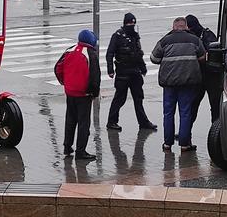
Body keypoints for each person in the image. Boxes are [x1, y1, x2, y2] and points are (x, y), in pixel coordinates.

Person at [150, 17, 205, 152]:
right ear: (185, 27)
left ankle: (167, 143)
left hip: (169, 84)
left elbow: (154, 58)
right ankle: (184, 144)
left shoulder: (165, 40)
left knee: (168, 113)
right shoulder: (194, 40)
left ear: (173, 27)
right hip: (187, 83)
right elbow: (203, 57)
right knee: (185, 113)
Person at [105, 13, 157, 132]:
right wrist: (110, 70)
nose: (131, 25)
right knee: (120, 98)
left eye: (133, 23)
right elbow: (110, 53)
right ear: (125, 23)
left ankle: (143, 122)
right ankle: (111, 121)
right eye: (129, 23)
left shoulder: (135, 35)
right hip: (123, 72)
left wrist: (143, 67)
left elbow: (138, 53)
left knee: (138, 99)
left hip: (135, 72)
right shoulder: (117, 35)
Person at [54, 30, 101, 160]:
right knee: (83, 123)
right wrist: (94, 93)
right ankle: (81, 151)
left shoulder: (70, 50)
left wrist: (64, 82)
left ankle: (67, 147)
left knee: (70, 120)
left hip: (70, 92)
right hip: (84, 94)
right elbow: (95, 76)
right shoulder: (90, 54)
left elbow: (57, 68)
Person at [186, 14, 221, 124]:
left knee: (215, 106)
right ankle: (186, 131)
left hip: (212, 76)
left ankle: (216, 131)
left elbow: (214, 53)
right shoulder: (190, 37)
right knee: (192, 105)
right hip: (197, 76)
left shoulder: (207, 35)